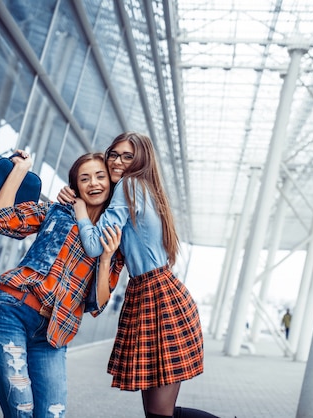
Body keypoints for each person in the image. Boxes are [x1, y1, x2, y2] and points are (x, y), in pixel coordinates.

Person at [59, 132, 217, 418]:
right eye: (114, 154)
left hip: (158, 299)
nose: (118, 161)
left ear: (141, 160)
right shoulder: (142, 189)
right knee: (158, 413)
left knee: (159, 413)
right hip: (152, 294)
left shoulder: (130, 186)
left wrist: (80, 210)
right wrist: (72, 194)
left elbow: (95, 245)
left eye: (127, 156)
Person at [0, 151, 124, 418]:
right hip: (10, 311)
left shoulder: (113, 239)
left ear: (112, 184)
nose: (94, 183)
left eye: (100, 176)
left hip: (53, 335)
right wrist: (20, 170)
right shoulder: (55, 211)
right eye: (85, 178)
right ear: (76, 186)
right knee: (21, 412)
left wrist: (105, 259)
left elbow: (98, 304)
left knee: (51, 415)